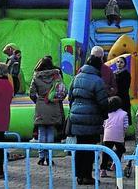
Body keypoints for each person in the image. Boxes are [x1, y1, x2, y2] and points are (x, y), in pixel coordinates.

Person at [69, 55, 109, 185]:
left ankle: (79, 175)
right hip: (91, 117)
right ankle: (87, 175)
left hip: (76, 115)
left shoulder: (76, 77)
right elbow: (103, 102)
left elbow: (70, 97)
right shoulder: (97, 80)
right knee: (89, 148)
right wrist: (104, 115)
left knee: (80, 147)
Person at [29, 57, 66, 166]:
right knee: (50, 130)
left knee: (41, 131)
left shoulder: (36, 76)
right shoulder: (56, 75)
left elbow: (31, 93)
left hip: (41, 104)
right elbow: (62, 90)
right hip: (53, 104)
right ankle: (49, 157)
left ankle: (41, 157)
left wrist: (38, 100)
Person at [100, 96, 128, 177]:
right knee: (121, 149)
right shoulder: (124, 113)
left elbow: (104, 124)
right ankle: (115, 164)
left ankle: (103, 170)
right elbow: (125, 126)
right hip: (119, 136)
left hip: (107, 135)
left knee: (105, 153)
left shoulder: (107, 114)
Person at [114, 57, 132, 125]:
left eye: (121, 62)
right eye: (118, 62)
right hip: (115, 98)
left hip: (123, 98)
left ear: (124, 64)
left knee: (123, 118)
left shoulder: (126, 74)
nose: (119, 64)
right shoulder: (114, 73)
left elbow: (125, 87)